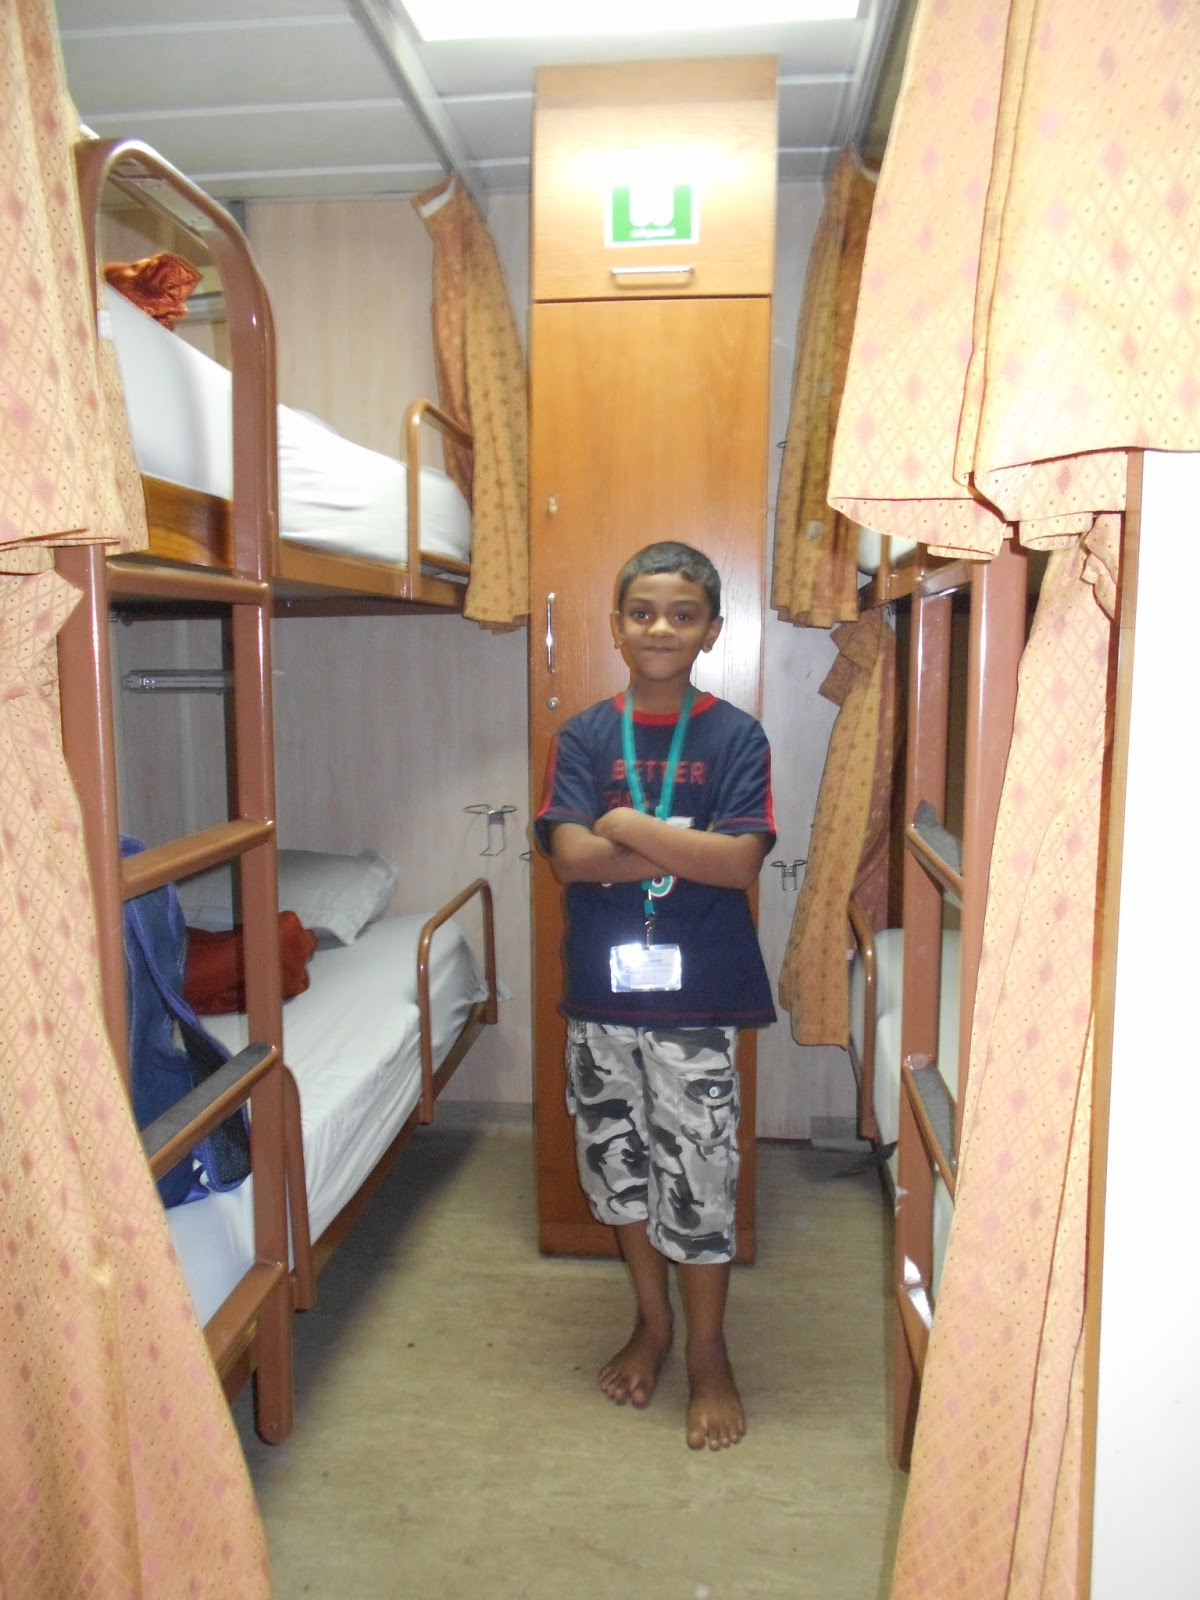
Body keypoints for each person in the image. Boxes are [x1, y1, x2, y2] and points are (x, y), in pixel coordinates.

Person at [535, 539, 776, 1451]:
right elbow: (570, 858)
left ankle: (710, 1351)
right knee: (620, 1168)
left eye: (682, 615)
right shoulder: (584, 737)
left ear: (711, 630)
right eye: (642, 613)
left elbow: (739, 863)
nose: (660, 628)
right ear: (617, 626)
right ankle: (654, 1322)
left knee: (700, 1178)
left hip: (699, 1000)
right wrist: (685, 845)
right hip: (603, 997)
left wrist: (629, 824)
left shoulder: (736, 736)